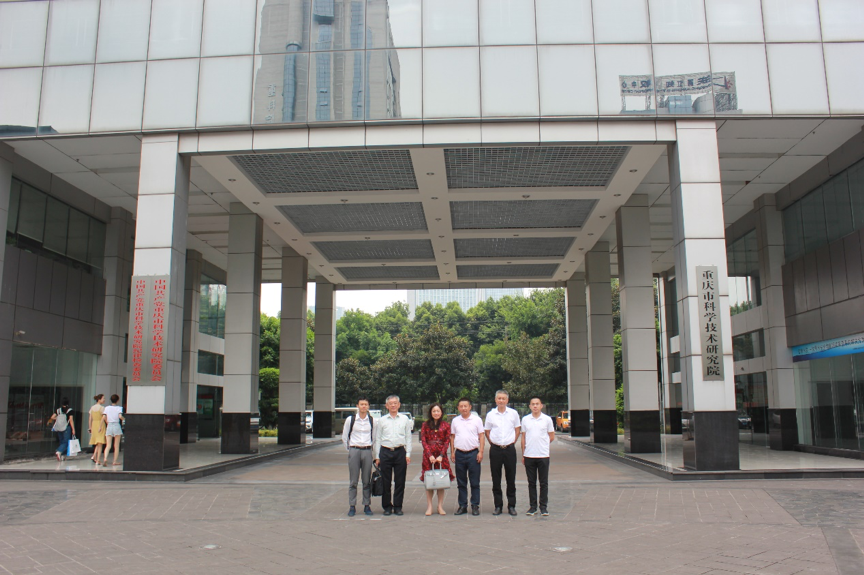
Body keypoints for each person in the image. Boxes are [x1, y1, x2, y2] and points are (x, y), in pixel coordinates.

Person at [373, 395, 412, 516]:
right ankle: (387, 506)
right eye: (391, 403)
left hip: (400, 452)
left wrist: (408, 454)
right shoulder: (382, 420)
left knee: (400, 481)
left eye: (395, 403)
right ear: (387, 406)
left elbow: (408, 437)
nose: (393, 405)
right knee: (386, 481)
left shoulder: (405, 419)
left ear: (399, 405)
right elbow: (378, 438)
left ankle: (398, 506)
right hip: (385, 452)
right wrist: (377, 456)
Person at [484, 389, 521, 516]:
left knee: (511, 478)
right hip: (495, 450)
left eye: (503, 398)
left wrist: (512, 441)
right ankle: (498, 506)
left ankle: (511, 505)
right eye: (499, 398)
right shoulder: (490, 415)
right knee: (496, 478)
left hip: (509, 449)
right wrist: (493, 442)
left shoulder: (513, 414)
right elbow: (487, 431)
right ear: (495, 400)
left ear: (507, 400)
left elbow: (517, 429)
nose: (501, 401)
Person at [449, 397, 484, 516]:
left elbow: (481, 436)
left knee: (475, 482)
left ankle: (475, 505)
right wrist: (452, 452)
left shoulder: (477, 420)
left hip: (473, 453)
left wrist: (481, 452)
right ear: (458, 408)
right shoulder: (455, 421)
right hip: (459, 454)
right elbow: (452, 437)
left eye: (466, 406)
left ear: (470, 407)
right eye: (461, 406)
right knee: (461, 482)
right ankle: (462, 505)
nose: (464, 408)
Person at [521, 397, 555, 516]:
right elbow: (523, 437)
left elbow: (551, 436)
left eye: (537, 404)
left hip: (543, 455)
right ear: (530, 406)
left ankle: (543, 507)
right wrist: (523, 453)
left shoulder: (547, 419)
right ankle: (533, 507)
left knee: (543, 482)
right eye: (533, 404)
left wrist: (543, 444)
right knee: (531, 482)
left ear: (541, 406)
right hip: (529, 455)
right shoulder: (525, 420)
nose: (535, 406)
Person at [341, 396, 375, 517]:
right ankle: (352, 505)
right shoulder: (351, 420)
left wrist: (372, 450)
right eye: (361, 404)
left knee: (366, 480)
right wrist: (350, 450)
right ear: (357, 406)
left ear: (368, 406)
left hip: (367, 450)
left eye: (366, 404)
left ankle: (367, 505)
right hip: (354, 450)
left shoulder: (372, 421)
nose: (363, 406)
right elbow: (345, 436)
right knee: (353, 481)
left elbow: (374, 437)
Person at [420, 402, 454, 516]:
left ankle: (440, 506)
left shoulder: (446, 425)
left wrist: (441, 455)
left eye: (438, 411)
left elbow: (447, 441)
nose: (436, 413)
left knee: (440, 480)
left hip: (441, 456)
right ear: (430, 412)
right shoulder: (425, 425)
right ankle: (429, 506)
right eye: (434, 411)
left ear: (441, 412)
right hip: (428, 457)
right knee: (429, 480)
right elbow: (423, 440)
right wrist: (429, 455)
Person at [48, 398, 75, 462]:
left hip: (59, 428)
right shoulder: (70, 410)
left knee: (61, 441)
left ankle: (62, 456)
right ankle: (59, 451)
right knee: (66, 442)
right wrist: (73, 429)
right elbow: (71, 420)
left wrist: (58, 419)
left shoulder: (58, 410)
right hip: (66, 428)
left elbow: (52, 417)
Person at [101, 394, 124, 466]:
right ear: (118, 400)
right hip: (116, 425)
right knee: (116, 446)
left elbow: (104, 417)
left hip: (109, 425)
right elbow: (120, 416)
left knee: (108, 445)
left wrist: (106, 423)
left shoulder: (107, 408)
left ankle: (105, 458)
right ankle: (115, 461)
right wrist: (124, 419)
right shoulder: (119, 408)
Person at [88, 394, 106, 463]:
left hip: (94, 425)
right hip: (100, 425)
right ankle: (98, 459)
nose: (104, 400)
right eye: (103, 398)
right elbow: (104, 418)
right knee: (100, 442)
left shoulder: (92, 408)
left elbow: (90, 418)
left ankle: (94, 456)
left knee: (97, 442)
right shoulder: (102, 408)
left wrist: (90, 427)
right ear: (99, 399)